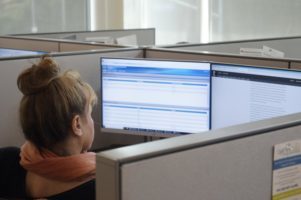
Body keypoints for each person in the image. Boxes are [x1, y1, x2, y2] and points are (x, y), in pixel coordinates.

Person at [17, 56, 97, 199]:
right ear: (77, 124)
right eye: (90, 114)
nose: (92, 121)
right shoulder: (99, 187)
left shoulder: (7, 163)